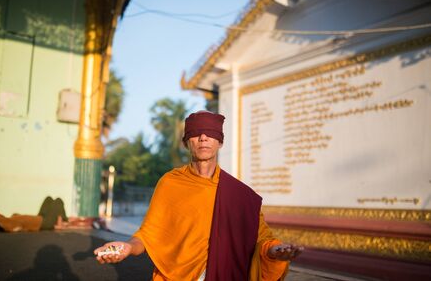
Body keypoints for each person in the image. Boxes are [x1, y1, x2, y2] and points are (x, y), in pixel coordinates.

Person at [94, 111, 303, 280]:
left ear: (220, 142)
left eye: (211, 133)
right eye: (196, 133)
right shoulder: (170, 183)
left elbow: (262, 240)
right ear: (186, 142)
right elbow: (148, 235)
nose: (203, 138)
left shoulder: (240, 195)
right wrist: (128, 247)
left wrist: (276, 252)